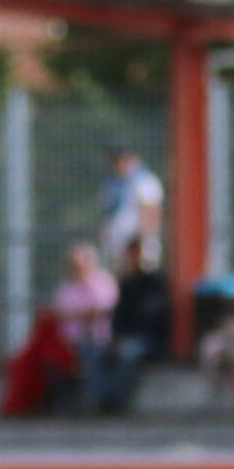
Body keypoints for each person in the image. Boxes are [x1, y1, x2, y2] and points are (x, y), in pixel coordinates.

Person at [92, 236, 168, 415]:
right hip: (125, 338)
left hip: (147, 340)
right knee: (97, 353)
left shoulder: (156, 284)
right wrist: (116, 338)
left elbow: (153, 320)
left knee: (127, 353)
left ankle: (117, 402)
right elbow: (119, 318)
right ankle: (102, 399)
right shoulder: (126, 285)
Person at [50, 242, 118, 408]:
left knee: (91, 356)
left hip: (97, 339)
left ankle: (94, 401)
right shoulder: (66, 286)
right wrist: (80, 315)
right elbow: (58, 313)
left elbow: (100, 311)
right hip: (68, 341)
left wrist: (75, 314)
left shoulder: (102, 282)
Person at [97, 149, 163, 269]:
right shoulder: (111, 183)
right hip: (115, 243)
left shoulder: (145, 181)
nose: (119, 164)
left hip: (137, 244)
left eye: (123, 160)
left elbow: (151, 212)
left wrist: (146, 241)